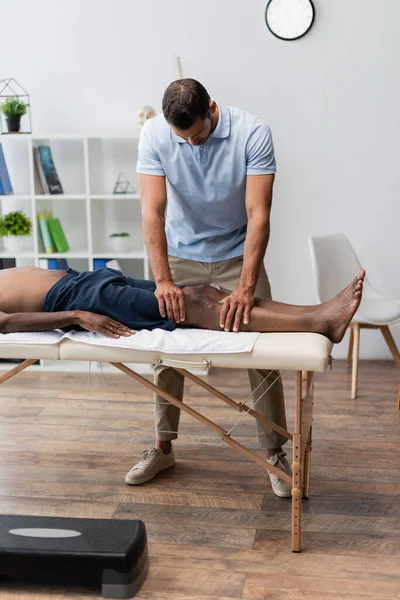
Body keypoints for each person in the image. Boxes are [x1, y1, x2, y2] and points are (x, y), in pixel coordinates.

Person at [0, 264, 365, 491]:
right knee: (194, 308)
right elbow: (5, 322)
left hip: (87, 281)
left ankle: (316, 313)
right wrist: (76, 315)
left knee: (204, 295)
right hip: (75, 298)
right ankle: (319, 322)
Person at [135, 78, 291, 495]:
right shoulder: (154, 133)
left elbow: (259, 214)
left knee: (261, 347)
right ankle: (162, 446)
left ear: (213, 109)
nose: (192, 145)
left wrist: (244, 286)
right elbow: (152, 210)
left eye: (199, 135)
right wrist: (163, 279)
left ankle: (274, 452)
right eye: (182, 139)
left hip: (236, 253)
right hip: (183, 252)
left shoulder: (252, 133)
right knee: (166, 345)